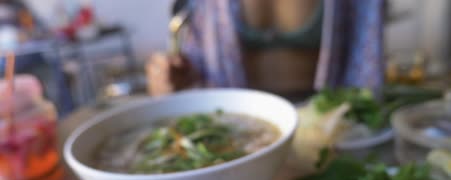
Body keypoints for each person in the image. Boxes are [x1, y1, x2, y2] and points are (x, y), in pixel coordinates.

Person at [146, 0, 384, 101]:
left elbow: (366, 69)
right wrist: (168, 79)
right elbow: (194, 68)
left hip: (329, 125)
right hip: (238, 131)